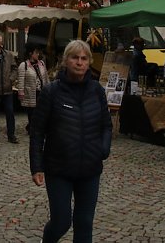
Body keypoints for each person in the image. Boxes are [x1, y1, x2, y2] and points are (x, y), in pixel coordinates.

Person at [30, 40, 112, 243]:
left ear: (89, 62)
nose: (80, 62)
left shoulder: (97, 91)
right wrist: (36, 166)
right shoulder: (52, 92)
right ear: (66, 60)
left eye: (84, 58)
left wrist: (103, 148)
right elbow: (37, 131)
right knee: (62, 221)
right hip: (59, 168)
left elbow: (107, 125)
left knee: (84, 223)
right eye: (75, 57)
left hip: (90, 168)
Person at [18, 45, 49, 134]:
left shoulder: (41, 63)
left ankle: (34, 127)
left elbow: (46, 77)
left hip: (41, 91)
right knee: (32, 112)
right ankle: (32, 129)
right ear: (31, 54)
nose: (38, 54)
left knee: (41, 111)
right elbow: (21, 79)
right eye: (36, 53)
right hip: (31, 92)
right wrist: (21, 92)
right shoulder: (24, 65)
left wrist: (48, 88)